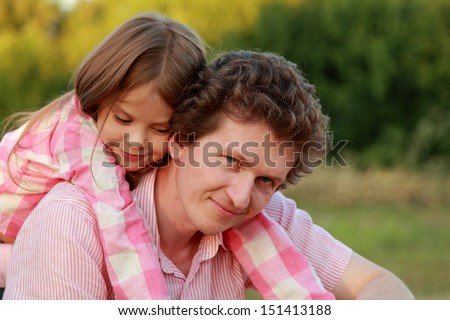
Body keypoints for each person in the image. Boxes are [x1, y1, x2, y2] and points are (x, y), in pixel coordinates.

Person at [4, 51, 414, 299]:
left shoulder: (267, 216)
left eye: (266, 180)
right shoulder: (72, 223)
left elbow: (379, 283)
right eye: (231, 160)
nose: (239, 197)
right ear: (181, 141)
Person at [0, 12, 206, 299]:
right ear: (97, 98)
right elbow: (120, 229)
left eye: (161, 128)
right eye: (123, 119)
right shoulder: (80, 143)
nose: (136, 141)